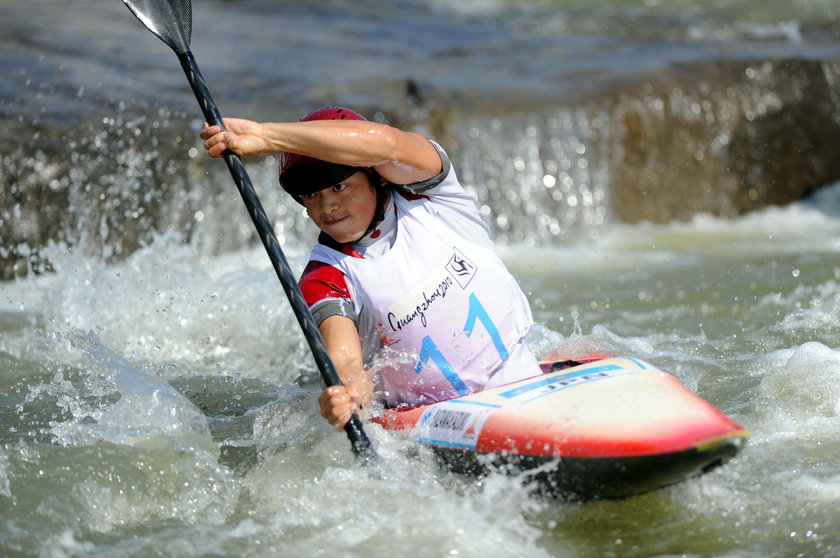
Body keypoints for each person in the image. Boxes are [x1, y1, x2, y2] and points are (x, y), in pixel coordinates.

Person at [201, 106, 542, 430]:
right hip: (441, 419)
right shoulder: (326, 275)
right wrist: (346, 393)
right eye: (312, 194)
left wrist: (266, 137)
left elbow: (388, 143)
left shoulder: (433, 195)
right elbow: (345, 359)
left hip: (522, 373)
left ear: (376, 177)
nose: (328, 205)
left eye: (339, 186)